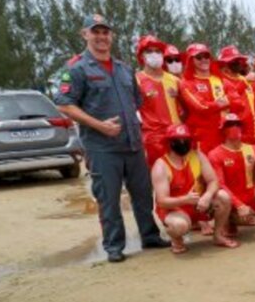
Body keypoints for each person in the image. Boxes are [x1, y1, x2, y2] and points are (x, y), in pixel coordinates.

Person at [54, 14, 169, 262]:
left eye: (105, 32)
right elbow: (64, 104)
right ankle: (114, 246)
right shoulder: (76, 68)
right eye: (95, 32)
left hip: (133, 143)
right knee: (109, 198)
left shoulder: (124, 69)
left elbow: (136, 101)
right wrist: (99, 125)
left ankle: (149, 236)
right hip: (102, 147)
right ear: (85, 34)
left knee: (142, 193)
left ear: (111, 36)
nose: (101, 37)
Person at [151, 123, 235, 253]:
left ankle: (218, 235)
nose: (182, 142)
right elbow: (162, 201)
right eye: (178, 140)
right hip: (175, 209)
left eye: (186, 140)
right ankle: (176, 239)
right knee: (179, 226)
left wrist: (207, 196)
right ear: (170, 143)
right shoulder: (161, 165)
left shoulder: (198, 156)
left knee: (223, 197)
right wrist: (185, 200)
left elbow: (213, 181)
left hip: (199, 204)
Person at [208, 113, 255, 237]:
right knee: (220, 196)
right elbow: (220, 184)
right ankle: (229, 223)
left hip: (251, 195)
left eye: (237, 124)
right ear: (222, 129)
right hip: (231, 200)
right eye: (230, 125)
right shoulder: (215, 154)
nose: (234, 127)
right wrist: (239, 205)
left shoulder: (253, 149)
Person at [134, 35, 183, 166]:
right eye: (149, 51)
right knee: (158, 181)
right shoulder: (136, 81)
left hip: (178, 138)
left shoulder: (176, 81)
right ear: (141, 56)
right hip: (153, 141)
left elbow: (186, 110)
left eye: (158, 51)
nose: (154, 54)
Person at [179, 43, 232, 154]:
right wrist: (222, 103)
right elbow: (201, 107)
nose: (203, 60)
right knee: (204, 170)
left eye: (206, 56)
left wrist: (217, 104)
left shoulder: (219, 79)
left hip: (223, 134)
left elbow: (237, 100)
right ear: (191, 60)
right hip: (201, 137)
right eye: (199, 57)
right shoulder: (186, 83)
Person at [218, 46, 255, 149]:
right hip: (235, 135)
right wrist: (245, 82)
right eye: (233, 61)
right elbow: (230, 100)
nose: (237, 64)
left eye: (238, 61)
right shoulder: (220, 82)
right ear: (225, 64)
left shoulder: (247, 81)